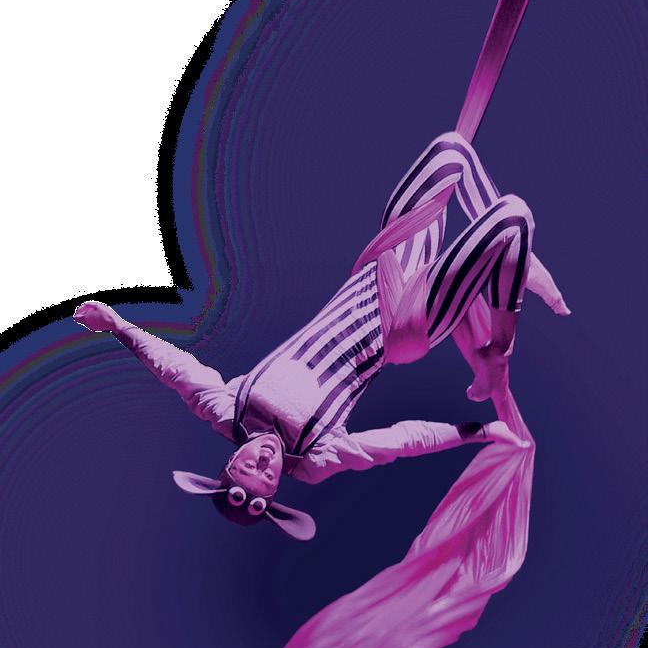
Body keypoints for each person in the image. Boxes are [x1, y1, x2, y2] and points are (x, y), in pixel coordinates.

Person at [74, 131, 567, 540]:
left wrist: (120, 325)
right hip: (404, 324)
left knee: (451, 151)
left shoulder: (227, 408)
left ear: (231, 461)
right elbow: (397, 442)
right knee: (512, 216)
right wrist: (477, 432)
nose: (264, 465)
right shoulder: (314, 459)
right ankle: (497, 349)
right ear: (276, 489)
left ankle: (517, 262)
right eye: (268, 481)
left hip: (380, 265)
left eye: (248, 469)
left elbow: (175, 370)